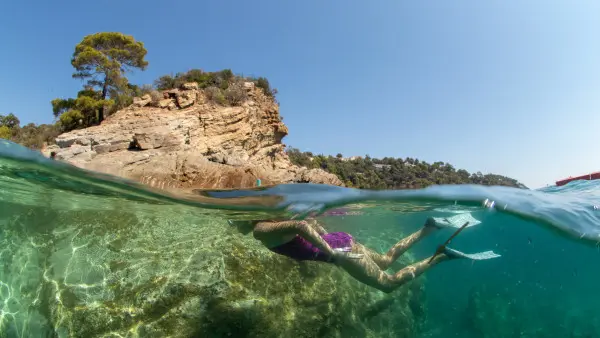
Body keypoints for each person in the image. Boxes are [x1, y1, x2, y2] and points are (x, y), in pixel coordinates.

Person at [228, 216, 499, 293]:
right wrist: (326, 238)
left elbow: (302, 226)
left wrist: (328, 249)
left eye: (232, 220)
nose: (232, 225)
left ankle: (442, 257)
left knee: (388, 284)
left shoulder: (261, 229)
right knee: (385, 260)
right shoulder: (272, 219)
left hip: (342, 252)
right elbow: (310, 225)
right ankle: (427, 228)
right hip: (344, 243)